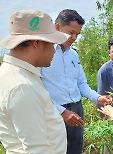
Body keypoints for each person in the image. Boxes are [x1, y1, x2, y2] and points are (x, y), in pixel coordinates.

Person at [40, 9, 112, 154]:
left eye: (77, 34)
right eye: (71, 32)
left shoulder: (73, 55)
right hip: (55, 111)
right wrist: (62, 111)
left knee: (75, 148)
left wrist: (98, 97)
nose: (74, 37)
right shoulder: (43, 52)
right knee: (56, 149)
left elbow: (81, 84)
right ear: (57, 27)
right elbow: (38, 89)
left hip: (76, 109)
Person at [0, 9, 70, 154]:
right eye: (51, 44)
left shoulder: (17, 74)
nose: (54, 51)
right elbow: (38, 149)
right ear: (37, 43)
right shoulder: (21, 86)